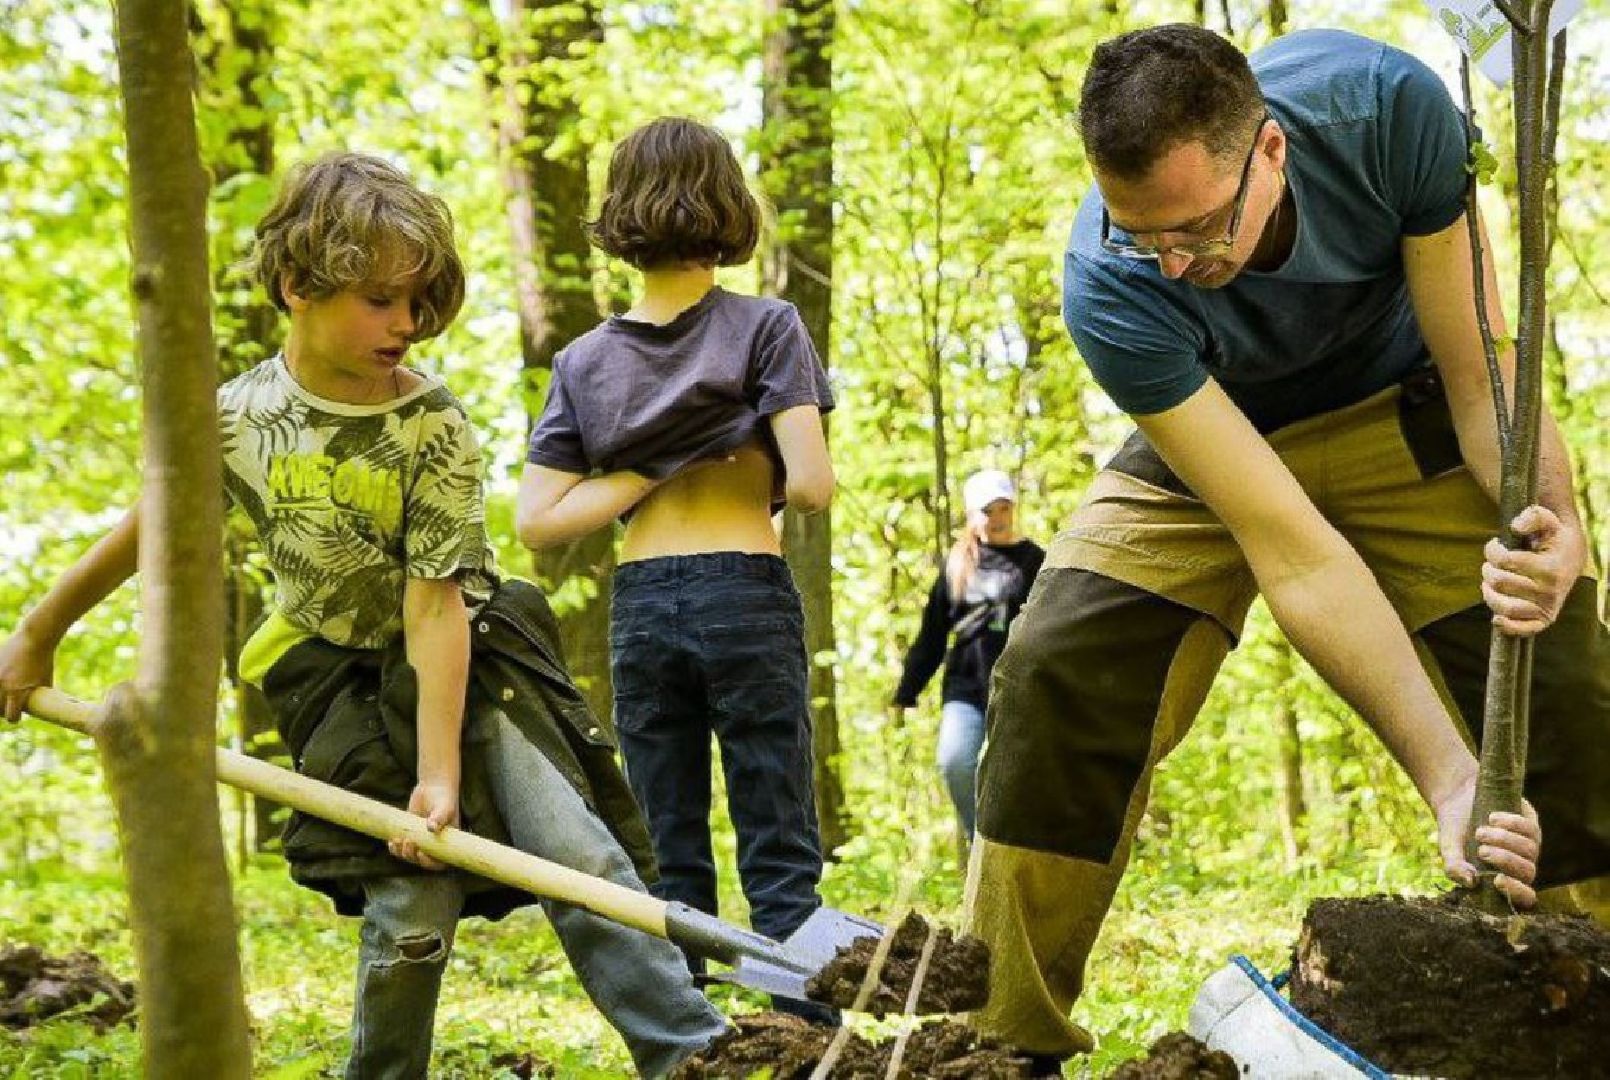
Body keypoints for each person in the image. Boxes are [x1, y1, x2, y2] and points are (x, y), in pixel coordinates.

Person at [963, 25, 1609, 1069]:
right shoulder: (1109, 283)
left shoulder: (1388, 114)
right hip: (1218, 437)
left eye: (1198, 228)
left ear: (1268, 150)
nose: (1177, 262)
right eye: (1143, 235)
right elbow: (1293, 551)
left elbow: (1475, 364)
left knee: (1566, 685)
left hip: (1404, 407)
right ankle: (996, 1040)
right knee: (1057, 670)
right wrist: (1447, 777)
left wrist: (1554, 517)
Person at [0, 152, 726, 1078]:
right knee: (413, 908)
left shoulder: (433, 425)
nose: (407, 324)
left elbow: (434, 608)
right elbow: (150, 529)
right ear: (299, 285)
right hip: (334, 679)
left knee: (580, 855)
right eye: (380, 300)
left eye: (418, 302)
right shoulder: (235, 415)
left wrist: (438, 774)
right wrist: (38, 631)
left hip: (474, 657)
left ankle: (696, 1057)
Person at [516, 118, 837, 1022]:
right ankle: (801, 1039)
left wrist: (639, 471)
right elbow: (811, 485)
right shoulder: (767, 328)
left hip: (645, 603)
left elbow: (539, 522)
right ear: (730, 205)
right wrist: (717, 454)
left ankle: (694, 1041)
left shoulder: (583, 360)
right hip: (744, 589)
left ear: (620, 214)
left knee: (670, 846)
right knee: (779, 841)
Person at [891, 469, 1044, 838]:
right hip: (965, 687)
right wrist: (907, 690)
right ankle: (982, 843)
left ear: (1013, 509)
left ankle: (1014, 852)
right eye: (987, 510)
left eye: (1003, 508)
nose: (996, 518)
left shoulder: (1035, 560)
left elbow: (1051, 627)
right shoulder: (958, 564)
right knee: (956, 762)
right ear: (973, 514)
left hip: (1018, 688)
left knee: (1013, 778)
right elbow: (931, 634)